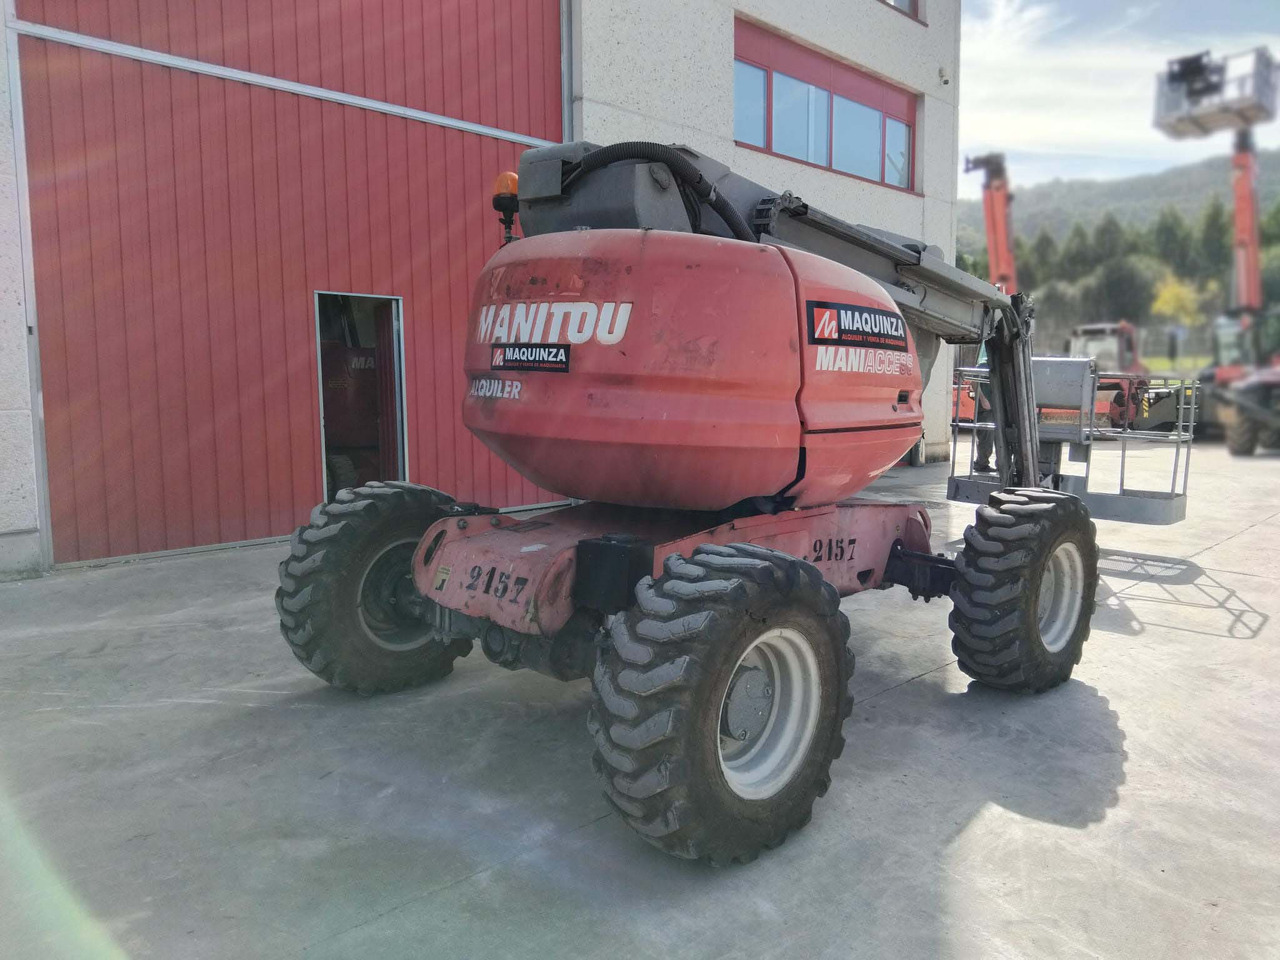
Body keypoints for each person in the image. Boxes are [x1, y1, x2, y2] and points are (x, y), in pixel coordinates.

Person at [972, 344, 995, 472]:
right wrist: (983, 399)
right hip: (985, 407)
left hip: (996, 405)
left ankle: (999, 463)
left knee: (995, 436)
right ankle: (981, 463)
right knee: (986, 437)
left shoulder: (998, 365)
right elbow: (974, 382)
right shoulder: (983, 365)